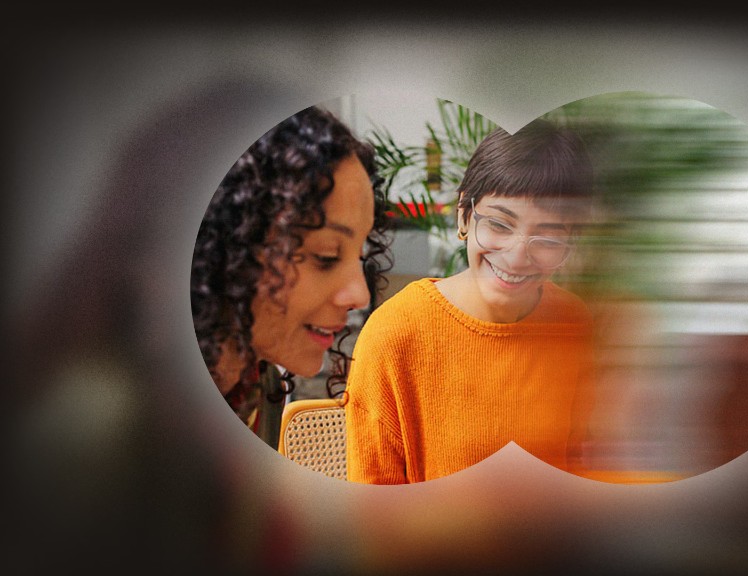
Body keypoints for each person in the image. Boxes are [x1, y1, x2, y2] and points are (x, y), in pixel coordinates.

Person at [344, 118, 597, 484]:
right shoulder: (394, 336)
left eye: (548, 239)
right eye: (499, 224)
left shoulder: (575, 324)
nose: (516, 257)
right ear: (464, 213)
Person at [191, 104, 392, 446]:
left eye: (360, 256)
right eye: (326, 256)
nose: (361, 295)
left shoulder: (260, 389)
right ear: (230, 244)